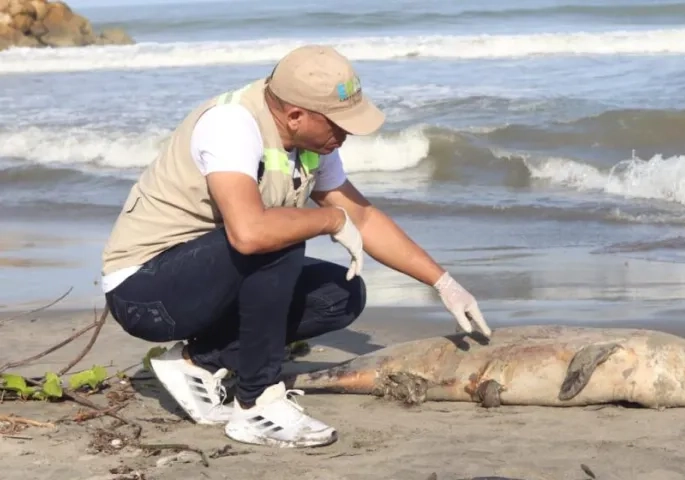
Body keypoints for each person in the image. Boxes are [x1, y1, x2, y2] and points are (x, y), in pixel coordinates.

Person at [99, 44, 492, 448]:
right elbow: (251, 233)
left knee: (340, 294)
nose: (346, 134)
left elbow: (364, 218)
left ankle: (195, 362)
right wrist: (328, 220)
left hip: (208, 281)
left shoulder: (313, 143)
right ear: (295, 115)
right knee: (278, 236)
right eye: (338, 124)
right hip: (146, 294)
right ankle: (256, 404)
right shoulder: (232, 125)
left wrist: (443, 282)